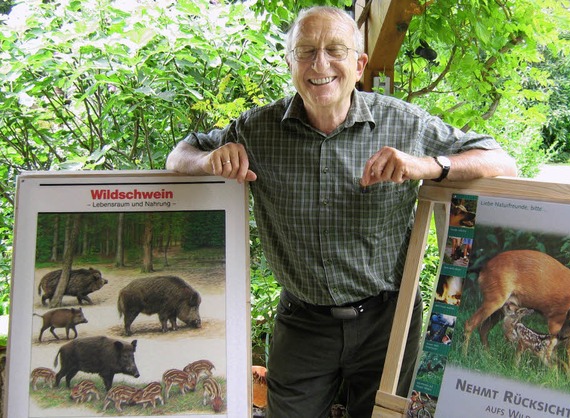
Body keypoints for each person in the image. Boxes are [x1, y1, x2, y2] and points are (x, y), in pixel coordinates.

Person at [166, 6, 517, 418]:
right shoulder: (257, 130)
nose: (320, 64)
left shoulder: (402, 124)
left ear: (359, 63)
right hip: (301, 323)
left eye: (335, 50)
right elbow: (180, 154)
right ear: (289, 62)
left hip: (387, 320)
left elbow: (501, 161)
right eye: (306, 51)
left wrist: (429, 166)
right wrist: (210, 163)